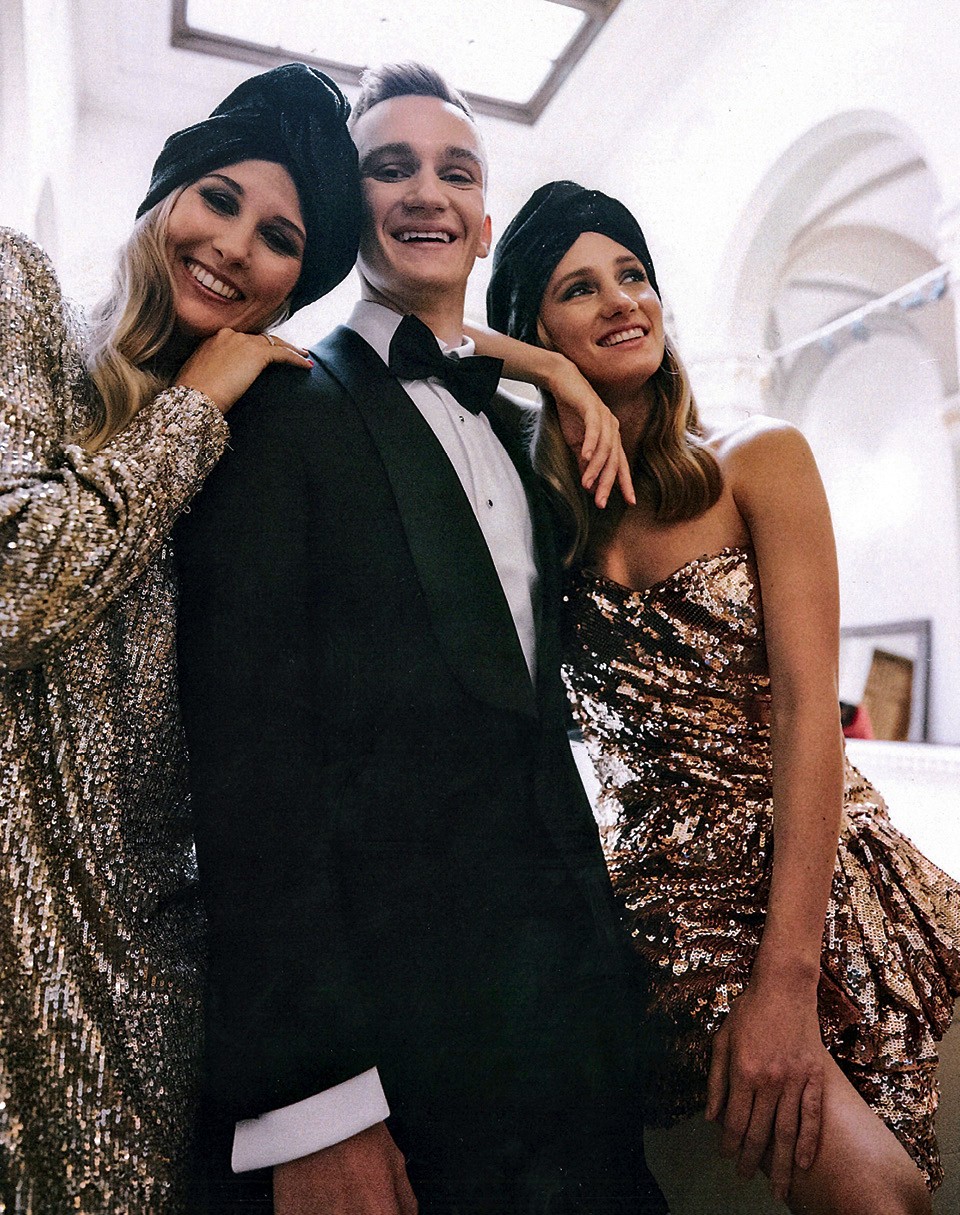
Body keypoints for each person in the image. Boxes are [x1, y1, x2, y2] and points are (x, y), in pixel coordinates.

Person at [175, 64, 668, 1215]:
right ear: (350, 210)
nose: (425, 192)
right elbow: (249, 770)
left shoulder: (531, 435)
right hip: (399, 1067)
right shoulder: (277, 409)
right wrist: (316, 1105)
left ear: (485, 222)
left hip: (575, 1045)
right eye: (389, 167)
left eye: (456, 171)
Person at [485, 180, 960, 1215]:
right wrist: (542, 376)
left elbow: (808, 714)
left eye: (634, 275)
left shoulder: (757, 459)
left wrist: (785, 979)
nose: (623, 300)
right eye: (579, 287)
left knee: (900, 1191)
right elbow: (419, 349)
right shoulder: (533, 523)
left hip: (823, 866)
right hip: (668, 903)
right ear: (533, 328)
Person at [0, 63, 360, 1214]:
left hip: (148, 1011)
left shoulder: (253, 456)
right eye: (219, 197)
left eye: (280, 238)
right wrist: (192, 409)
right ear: (165, 196)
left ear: (294, 286)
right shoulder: (22, 299)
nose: (235, 246)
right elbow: (15, 581)